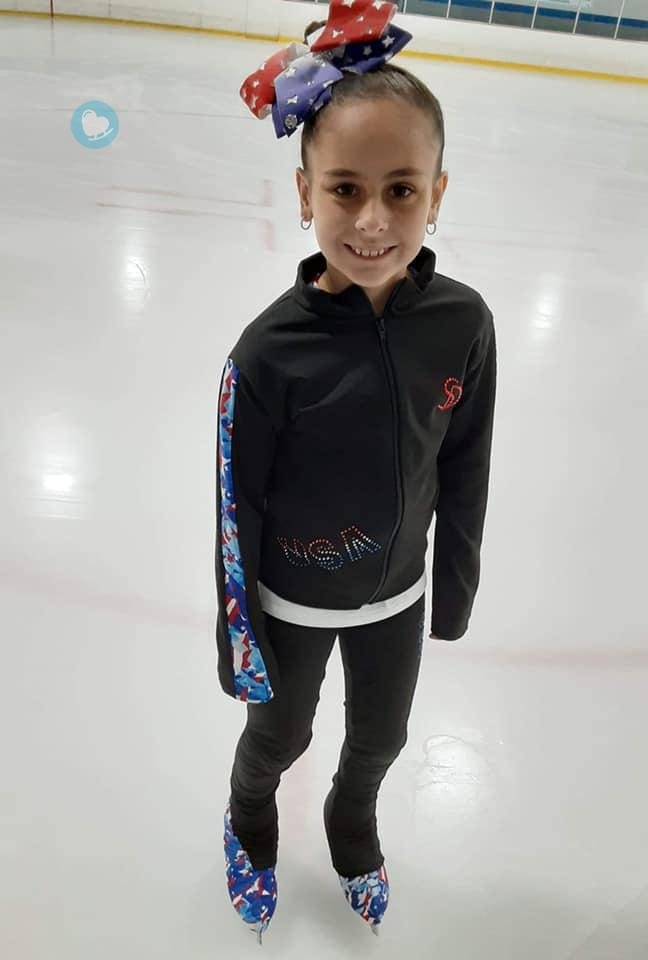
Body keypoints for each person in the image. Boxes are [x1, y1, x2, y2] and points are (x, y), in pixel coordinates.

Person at [215, 0, 497, 945]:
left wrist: (449, 590)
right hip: (291, 601)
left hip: (396, 596)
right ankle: (250, 823)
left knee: (378, 742)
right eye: (343, 189)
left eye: (402, 190)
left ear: (438, 192)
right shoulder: (267, 353)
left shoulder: (463, 324)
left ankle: (352, 828)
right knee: (279, 739)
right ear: (304, 195)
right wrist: (239, 637)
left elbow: (467, 464)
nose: (373, 220)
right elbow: (233, 508)